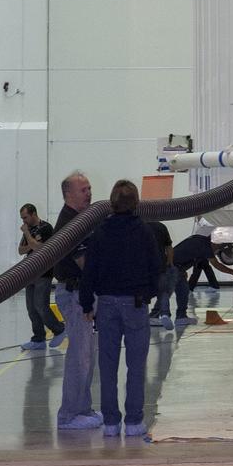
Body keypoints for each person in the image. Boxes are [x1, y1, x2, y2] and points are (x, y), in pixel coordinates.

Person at [80, 179, 162, 437]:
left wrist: (86, 303)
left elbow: (89, 271)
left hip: (106, 304)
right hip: (135, 303)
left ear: (112, 203)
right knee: (136, 366)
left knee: (108, 366)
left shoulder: (100, 232)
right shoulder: (144, 231)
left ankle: (112, 423)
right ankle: (135, 422)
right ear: (136, 202)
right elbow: (156, 268)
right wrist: (151, 295)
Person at [53, 171, 101, 430]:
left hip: (83, 293)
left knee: (87, 354)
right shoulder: (70, 224)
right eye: (84, 190)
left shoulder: (83, 219)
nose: (89, 193)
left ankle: (83, 409)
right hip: (75, 295)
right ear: (68, 194)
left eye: (90, 188)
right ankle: (69, 415)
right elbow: (84, 263)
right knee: (79, 355)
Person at [17, 203, 66, 351]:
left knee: (40, 305)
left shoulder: (46, 228)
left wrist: (27, 235)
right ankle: (38, 338)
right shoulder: (29, 230)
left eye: (25, 217)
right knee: (31, 308)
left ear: (33, 214)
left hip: (43, 273)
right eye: (22, 218)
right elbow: (21, 250)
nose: (23, 221)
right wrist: (31, 242)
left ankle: (59, 329)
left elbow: (39, 248)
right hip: (29, 273)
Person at [148, 220, 195, 328]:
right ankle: (164, 314)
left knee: (162, 290)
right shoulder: (160, 226)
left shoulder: (139, 227)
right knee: (164, 290)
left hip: (144, 264)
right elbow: (169, 247)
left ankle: (162, 314)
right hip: (160, 263)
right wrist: (170, 263)